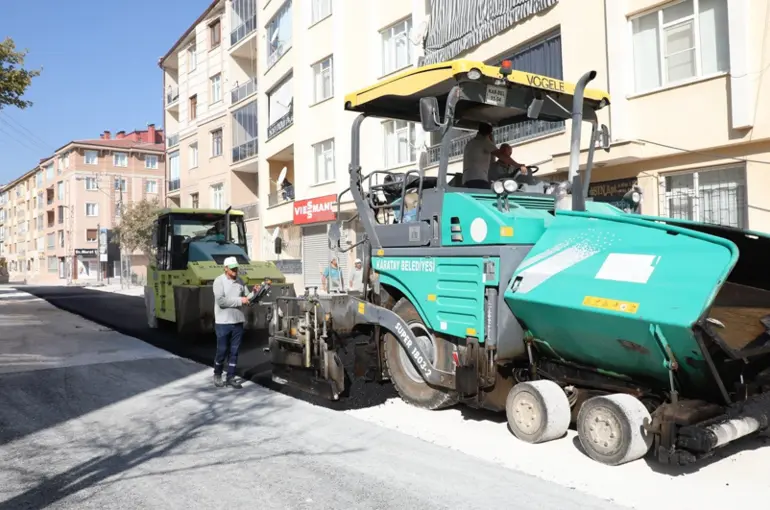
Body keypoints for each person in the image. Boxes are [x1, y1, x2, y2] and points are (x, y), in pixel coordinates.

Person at [212, 256, 253, 389]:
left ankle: (231, 377)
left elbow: (247, 298)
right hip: (223, 322)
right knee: (222, 350)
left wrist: (256, 292)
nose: (235, 270)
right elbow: (221, 302)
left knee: (234, 351)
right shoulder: (219, 281)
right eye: (233, 268)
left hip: (238, 321)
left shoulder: (240, 281)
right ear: (226, 269)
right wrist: (240, 301)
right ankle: (217, 374)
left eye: (236, 268)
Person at [462, 123, 526, 189]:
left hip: (468, 178)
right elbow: (501, 155)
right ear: (489, 134)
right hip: (478, 179)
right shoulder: (484, 141)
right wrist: (518, 165)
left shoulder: (471, 143)